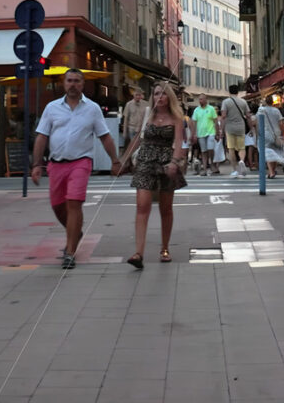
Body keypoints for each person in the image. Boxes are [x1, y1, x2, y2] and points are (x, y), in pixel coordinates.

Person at [31, 69, 122, 270]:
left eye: (77, 81)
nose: (72, 84)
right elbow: (42, 136)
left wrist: (115, 160)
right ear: (64, 84)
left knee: (74, 203)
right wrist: (37, 164)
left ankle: (70, 252)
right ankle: (75, 231)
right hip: (56, 164)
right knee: (57, 206)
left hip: (81, 162)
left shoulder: (92, 109)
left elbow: (105, 136)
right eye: (69, 81)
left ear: (83, 84)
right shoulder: (52, 108)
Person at [125, 82, 186, 267]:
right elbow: (138, 138)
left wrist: (175, 162)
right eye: (157, 94)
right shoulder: (147, 114)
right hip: (145, 161)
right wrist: (123, 158)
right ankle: (138, 253)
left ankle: (165, 247)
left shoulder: (176, 118)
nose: (160, 97)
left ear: (169, 97)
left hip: (166, 163)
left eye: (163, 94)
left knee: (165, 209)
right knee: (142, 206)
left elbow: (179, 143)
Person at [221, 85, 251, 178]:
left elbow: (223, 116)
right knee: (242, 147)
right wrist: (251, 128)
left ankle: (234, 169)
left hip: (230, 128)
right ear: (238, 92)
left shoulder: (226, 102)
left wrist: (221, 129)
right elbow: (248, 115)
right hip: (241, 127)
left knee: (231, 148)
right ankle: (241, 160)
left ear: (229, 92)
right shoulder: (243, 102)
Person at [258, 96, 284, 178]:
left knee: (267, 151)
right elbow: (281, 123)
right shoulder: (276, 111)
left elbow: (257, 122)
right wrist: (282, 134)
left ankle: (271, 172)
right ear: (273, 102)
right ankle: (273, 170)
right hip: (276, 134)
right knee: (275, 150)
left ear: (265, 102)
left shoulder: (262, 110)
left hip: (265, 134)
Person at [191, 94, 219, 176]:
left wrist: (217, 133)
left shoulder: (211, 109)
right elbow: (194, 122)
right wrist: (194, 134)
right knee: (203, 151)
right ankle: (205, 168)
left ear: (206, 99)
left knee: (210, 149)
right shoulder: (196, 110)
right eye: (199, 99)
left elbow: (216, 121)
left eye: (202, 99)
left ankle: (212, 164)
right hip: (201, 133)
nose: (200, 101)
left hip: (210, 132)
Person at [245, 102, 259, 170]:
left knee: (252, 150)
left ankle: (254, 164)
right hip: (253, 134)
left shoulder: (249, 116)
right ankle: (253, 165)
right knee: (252, 150)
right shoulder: (254, 117)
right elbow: (256, 127)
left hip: (249, 134)